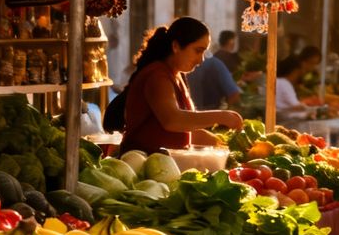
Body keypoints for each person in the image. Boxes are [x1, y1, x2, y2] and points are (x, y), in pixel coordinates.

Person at [120, 17, 243, 154]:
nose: (201, 60)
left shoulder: (176, 75)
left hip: (164, 163)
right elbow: (172, 120)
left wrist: (224, 144)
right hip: (140, 162)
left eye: (204, 52)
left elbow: (185, 132)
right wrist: (223, 117)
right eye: (198, 50)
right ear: (176, 46)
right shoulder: (157, 75)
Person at [187, 42, 242, 111]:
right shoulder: (214, 63)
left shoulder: (177, 65)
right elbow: (234, 94)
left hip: (184, 116)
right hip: (209, 116)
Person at [273, 46, 322, 118]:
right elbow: (297, 106)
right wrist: (316, 110)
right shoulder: (284, 83)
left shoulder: (280, 82)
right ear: (294, 71)